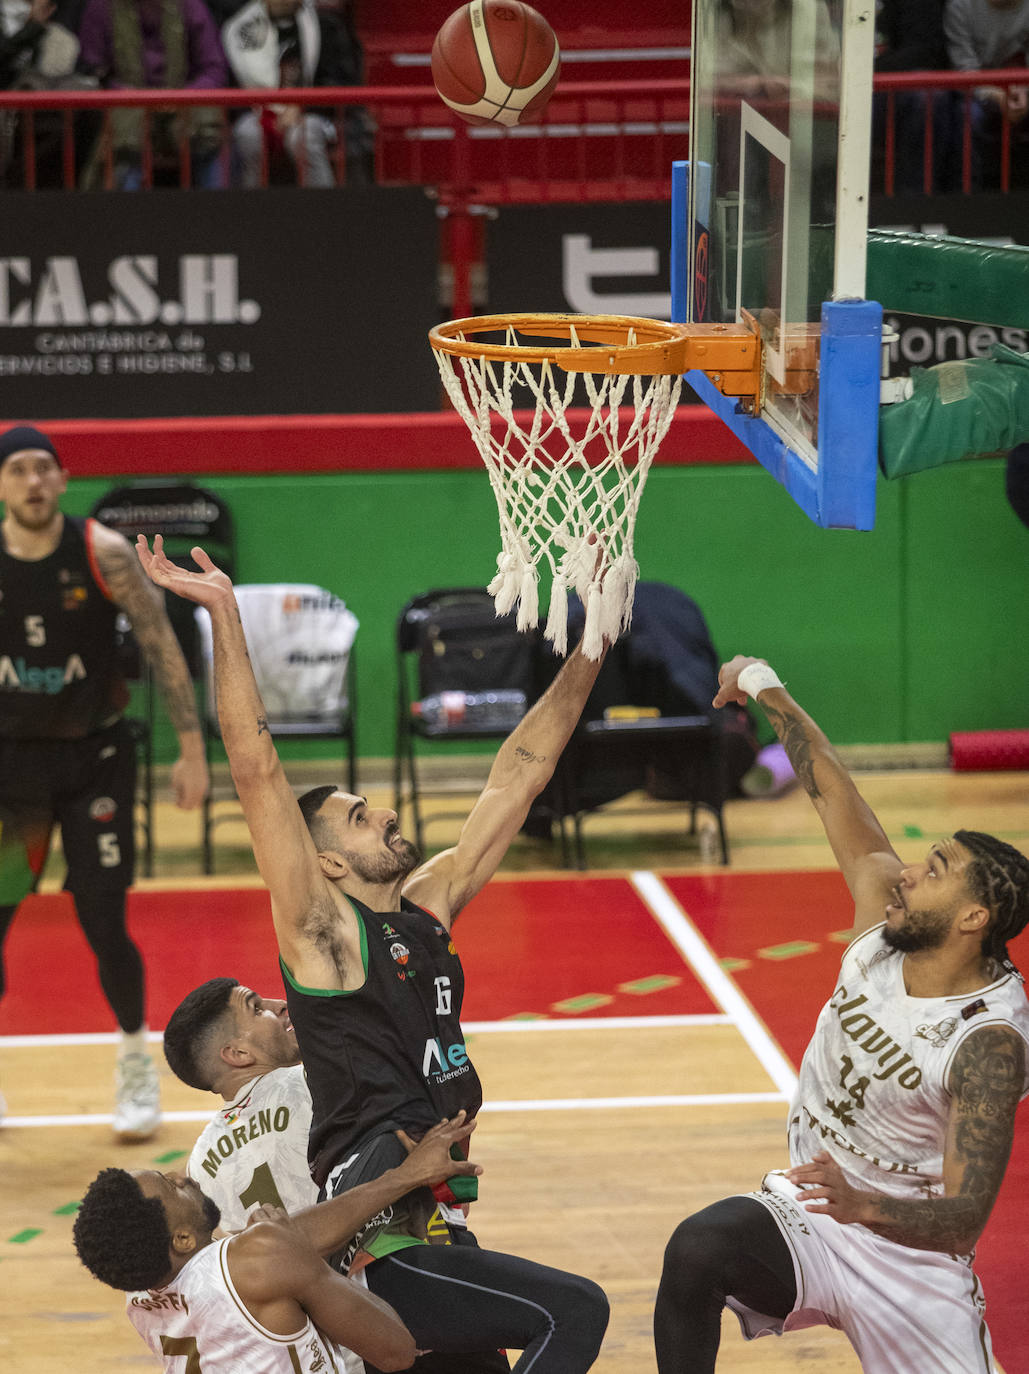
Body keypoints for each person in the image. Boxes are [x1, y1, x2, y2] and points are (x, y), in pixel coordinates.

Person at [137, 534, 610, 1374]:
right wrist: (223, 617)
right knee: (571, 1312)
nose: (385, 816)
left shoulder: (427, 907)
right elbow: (254, 767)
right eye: (359, 818)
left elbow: (520, 772)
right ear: (324, 862)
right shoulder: (324, 939)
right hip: (379, 1233)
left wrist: (591, 642)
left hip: (432, 1217)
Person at [653, 653, 1029, 1373]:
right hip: (815, 1211)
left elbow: (964, 1220)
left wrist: (864, 1205)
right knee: (698, 1247)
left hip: (909, 1254)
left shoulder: (987, 1042)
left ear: (972, 918)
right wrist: (763, 685)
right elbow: (829, 787)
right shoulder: (881, 922)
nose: (907, 872)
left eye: (935, 871)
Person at [0, 426, 209, 1138]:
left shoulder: (105, 554)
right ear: (3, 485)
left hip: (95, 761)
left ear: (61, 480)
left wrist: (191, 747)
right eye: (17, 470)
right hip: (10, 771)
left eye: (42, 469)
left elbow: (161, 646)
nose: (31, 481)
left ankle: (132, 1060)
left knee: (102, 918)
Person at [72, 1112, 480, 1373]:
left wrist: (404, 1177)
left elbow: (280, 1247)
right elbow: (396, 1351)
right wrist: (309, 1264)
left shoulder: (140, 1296)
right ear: (181, 1238)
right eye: (169, 1186)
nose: (182, 1176)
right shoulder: (260, 1260)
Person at [163, 976, 318, 1230]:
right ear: (239, 1054)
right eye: (257, 1009)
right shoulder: (312, 1083)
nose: (280, 1005)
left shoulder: (199, 1168)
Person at [76, 0, 229, 189]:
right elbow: (91, 72)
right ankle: (120, 214)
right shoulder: (102, 6)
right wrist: (128, 95)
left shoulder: (190, 5)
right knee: (127, 140)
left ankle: (217, 210)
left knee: (208, 132)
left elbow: (214, 70)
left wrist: (181, 96)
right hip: (126, 106)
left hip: (184, 104)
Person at [221, 0, 368, 188]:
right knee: (247, 134)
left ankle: (324, 209)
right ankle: (252, 209)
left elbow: (343, 83)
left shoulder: (326, 25)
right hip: (255, 111)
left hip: (318, 113)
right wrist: (263, 109)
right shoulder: (240, 29)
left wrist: (302, 106)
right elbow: (231, 86)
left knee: (303, 137)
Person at [943, 0, 1029, 189]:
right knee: (968, 115)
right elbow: (963, 69)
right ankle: (966, 199)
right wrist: (997, 95)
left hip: (1020, 89)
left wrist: (1024, 92)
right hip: (973, 92)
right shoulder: (960, 7)